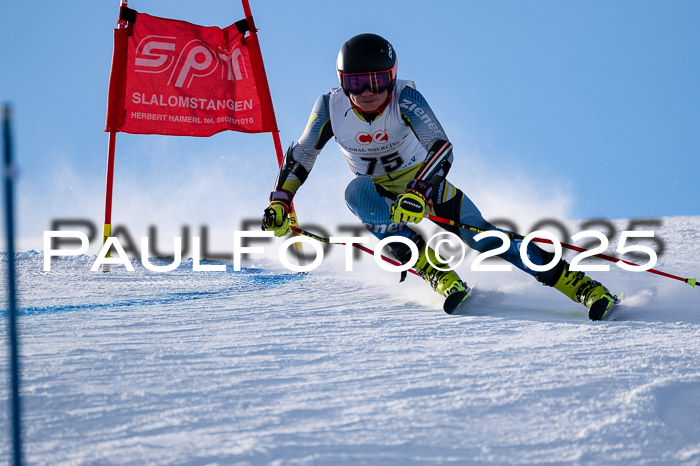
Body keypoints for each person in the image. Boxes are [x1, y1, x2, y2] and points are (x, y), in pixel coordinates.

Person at [261, 33, 616, 316]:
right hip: (379, 192)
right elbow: (304, 153)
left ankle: (580, 286)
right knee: (357, 195)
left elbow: (441, 147)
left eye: (377, 81)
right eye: (356, 84)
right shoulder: (330, 106)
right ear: (342, 82)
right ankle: (439, 274)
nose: (367, 93)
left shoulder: (406, 98)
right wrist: (281, 200)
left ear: (392, 77)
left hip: (427, 186)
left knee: (484, 239)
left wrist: (418, 192)